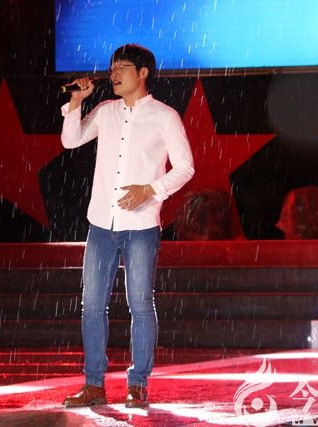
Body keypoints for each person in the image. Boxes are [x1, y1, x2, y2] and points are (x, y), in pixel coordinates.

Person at [60, 44, 194, 408]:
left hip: (141, 225)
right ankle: (93, 384)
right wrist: (76, 102)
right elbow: (70, 140)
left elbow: (185, 167)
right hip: (101, 223)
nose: (114, 74)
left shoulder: (164, 116)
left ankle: (138, 383)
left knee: (140, 303)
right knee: (92, 304)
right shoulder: (106, 111)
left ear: (143, 72)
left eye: (122, 67)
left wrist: (150, 189)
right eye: (112, 68)